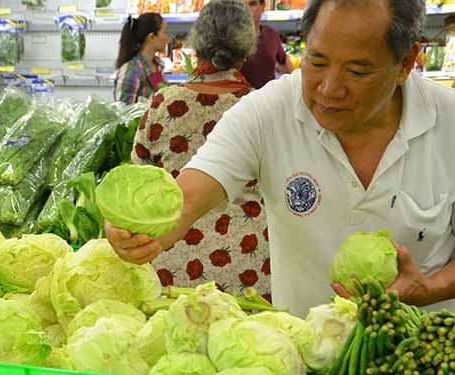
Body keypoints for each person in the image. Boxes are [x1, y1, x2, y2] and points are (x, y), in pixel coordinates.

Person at [106, 0, 455, 318]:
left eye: (357, 72)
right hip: (302, 354)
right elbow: (187, 199)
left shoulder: (448, 121)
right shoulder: (267, 111)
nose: (329, 88)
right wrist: (138, 229)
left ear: (406, 63)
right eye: (317, 62)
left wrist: (428, 289)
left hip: (425, 353)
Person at [130, 0, 271, 297]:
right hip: (248, 268)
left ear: (196, 45)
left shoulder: (163, 102)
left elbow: (138, 181)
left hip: (171, 266)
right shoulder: (261, 106)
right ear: (247, 50)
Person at [115, 13, 170, 104]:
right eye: (165, 32)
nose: (168, 39)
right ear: (152, 37)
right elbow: (124, 113)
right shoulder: (132, 70)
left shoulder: (157, 66)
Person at [240, 0, 293, 88]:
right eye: (241, 5)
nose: (247, 10)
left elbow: (283, 61)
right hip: (239, 99)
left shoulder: (271, 34)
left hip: (268, 99)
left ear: (263, 6)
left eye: (252, 4)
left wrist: (294, 87)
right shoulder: (229, 39)